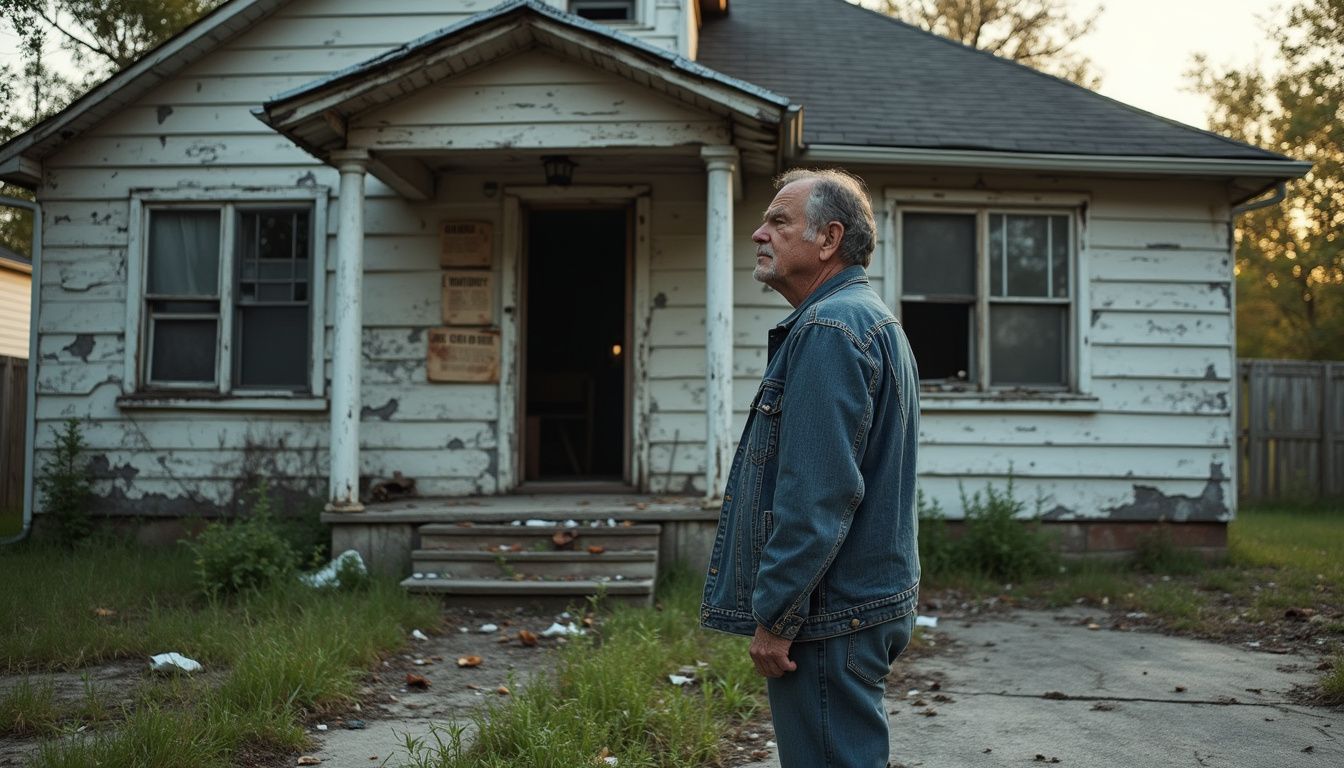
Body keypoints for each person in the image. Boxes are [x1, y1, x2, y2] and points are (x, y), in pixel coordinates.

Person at [700, 168, 921, 768]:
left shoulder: (830, 329)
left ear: (827, 239)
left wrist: (776, 617)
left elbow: (818, 495)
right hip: (860, 600)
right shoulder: (867, 319)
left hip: (830, 612)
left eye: (777, 221)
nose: (757, 233)